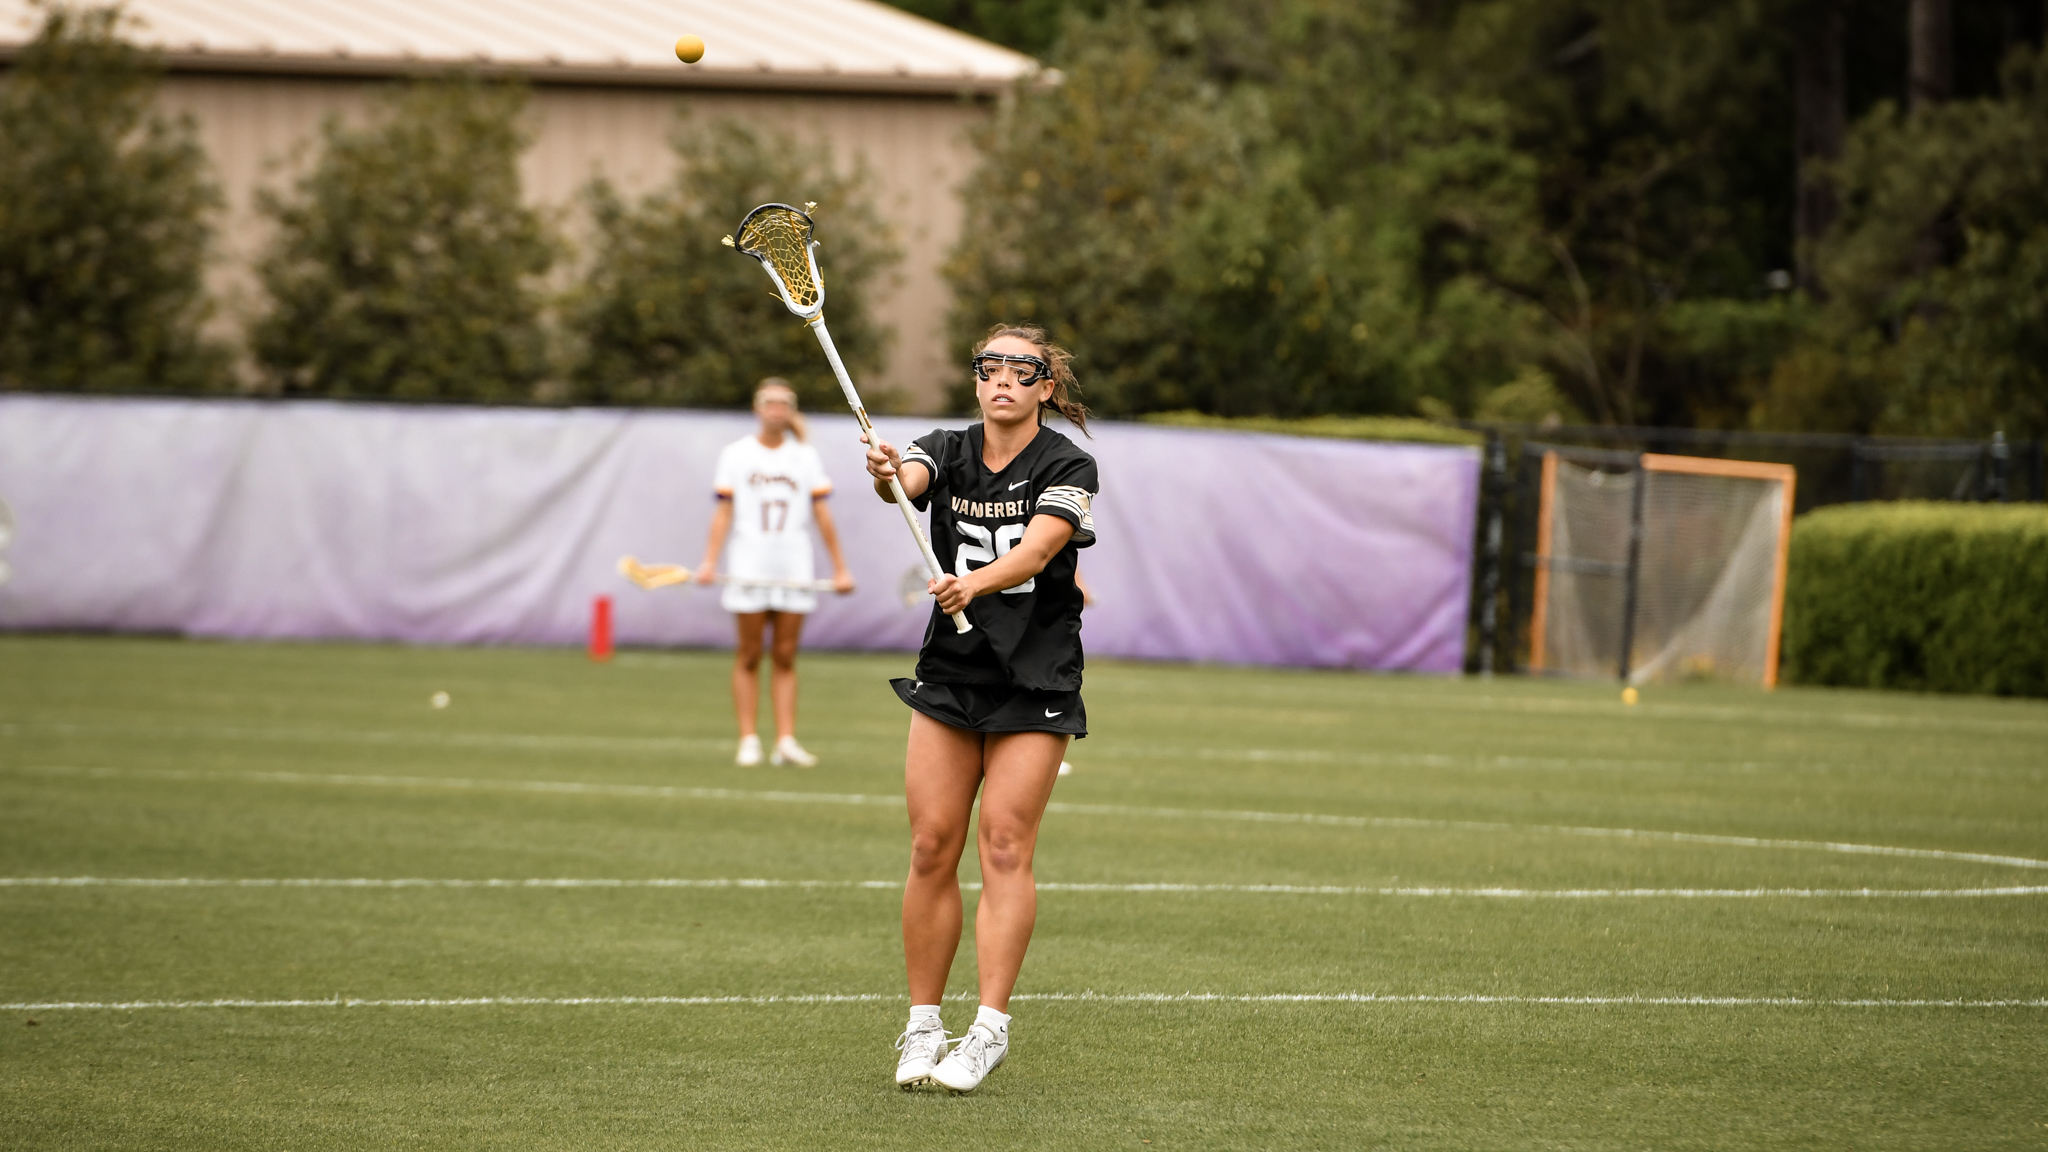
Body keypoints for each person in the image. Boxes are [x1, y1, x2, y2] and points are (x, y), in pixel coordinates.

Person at [861, 324, 1097, 1093]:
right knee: (932, 845)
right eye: (989, 366)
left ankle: (989, 1029)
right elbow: (907, 485)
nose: (1002, 379)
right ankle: (924, 1024)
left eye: (1020, 369)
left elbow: (1037, 551)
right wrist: (886, 473)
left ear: (1045, 388)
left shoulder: (1068, 463)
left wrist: (974, 584)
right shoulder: (946, 448)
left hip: (1035, 677)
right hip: (951, 673)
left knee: (1003, 845)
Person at [698, 379, 855, 767]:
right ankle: (748, 739)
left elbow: (821, 513)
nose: (776, 410)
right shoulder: (736, 454)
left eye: (783, 403)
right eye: (769, 403)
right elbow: (724, 511)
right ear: (757, 408)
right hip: (749, 565)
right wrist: (709, 562)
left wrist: (840, 568)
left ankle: (785, 740)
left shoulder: (804, 456)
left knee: (785, 655)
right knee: (749, 653)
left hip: (793, 566)